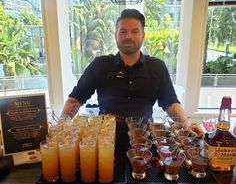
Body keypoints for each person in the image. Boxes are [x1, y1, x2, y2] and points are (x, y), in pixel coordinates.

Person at [61, 9, 203, 147]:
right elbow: (75, 99)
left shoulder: (157, 67)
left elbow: (171, 104)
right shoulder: (100, 65)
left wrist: (186, 124)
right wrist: (60, 126)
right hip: (106, 142)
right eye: (123, 31)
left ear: (143, 35)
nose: (129, 36)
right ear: (115, 35)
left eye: (135, 31)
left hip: (144, 143)